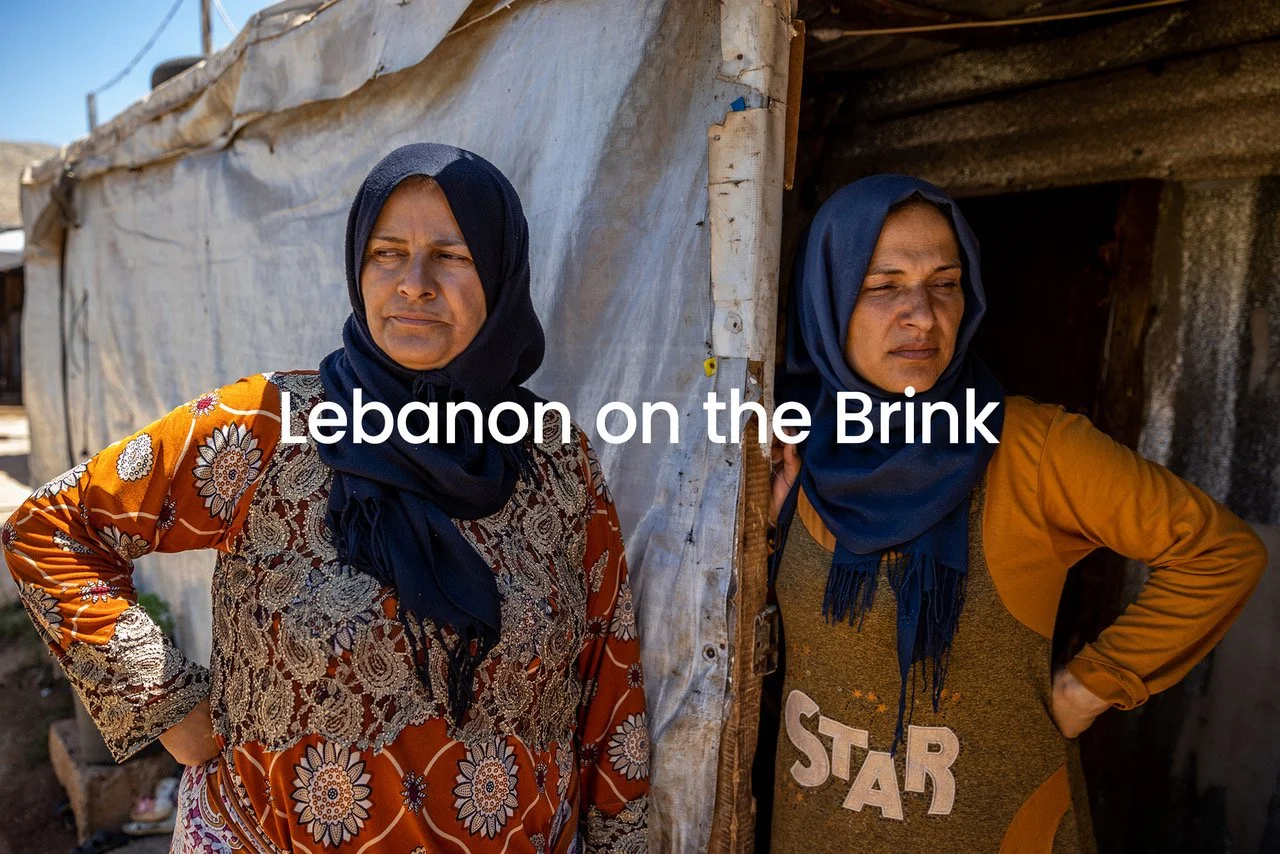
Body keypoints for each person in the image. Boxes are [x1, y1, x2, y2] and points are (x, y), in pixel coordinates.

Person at [4, 144, 649, 853]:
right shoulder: (265, 427)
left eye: (452, 254)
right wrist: (167, 702)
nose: (414, 283)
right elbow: (52, 528)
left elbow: (606, 684)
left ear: (501, 270)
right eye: (387, 253)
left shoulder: (556, 460)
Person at [766, 174, 1266, 852]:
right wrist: (764, 533)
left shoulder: (1034, 449)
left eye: (945, 282)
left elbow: (1220, 552)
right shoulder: (794, 445)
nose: (921, 312)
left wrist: (1091, 685)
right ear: (826, 298)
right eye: (882, 286)